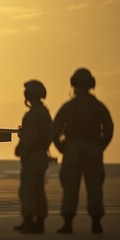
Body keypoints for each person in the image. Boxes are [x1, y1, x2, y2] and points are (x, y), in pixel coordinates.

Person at [53, 68, 114, 234]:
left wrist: (63, 148)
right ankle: (96, 223)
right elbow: (109, 129)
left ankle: (67, 223)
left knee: (70, 187)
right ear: (91, 84)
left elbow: (55, 129)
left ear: (73, 85)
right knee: (95, 186)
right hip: (93, 148)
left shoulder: (68, 107)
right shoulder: (99, 107)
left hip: (72, 149)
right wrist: (100, 147)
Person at [14, 80, 53, 234]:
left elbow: (30, 137)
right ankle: (33, 221)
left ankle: (32, 220)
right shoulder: (43, 112)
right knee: (36, 189)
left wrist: (21, 149)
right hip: (39, 154)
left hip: (33, 156)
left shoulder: (35, 114)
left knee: (30, 189)